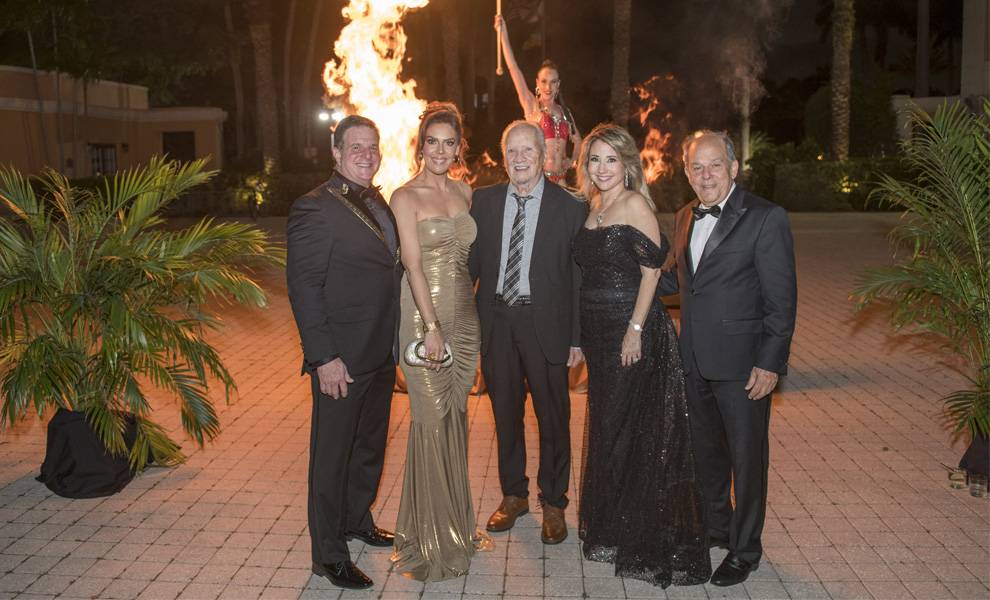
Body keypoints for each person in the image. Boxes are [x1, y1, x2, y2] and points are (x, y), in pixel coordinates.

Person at [571, 123, 711, 587]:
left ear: (628, 164)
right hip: (597, 333)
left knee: (633, 430)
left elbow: (652, 273)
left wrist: (633, 330)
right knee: (610, 427)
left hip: (631, 334)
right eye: (595, 159)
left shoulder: (634, 204)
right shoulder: (593, 205)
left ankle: (642, 533)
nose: (602, 168)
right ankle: (613, 525)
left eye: (611, 159)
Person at [673, 130, 797, 587]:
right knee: (706, 455)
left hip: (745, 366)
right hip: (696, 361)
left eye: (714, 166)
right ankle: (716, 529)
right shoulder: (685, 215)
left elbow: (781, 301)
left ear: (733, 168)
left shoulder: (767, 218)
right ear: (687, 172)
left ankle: (745, 550)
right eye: (696, 168)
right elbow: (684, 283)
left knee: (747, 461)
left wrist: (770, 363)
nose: (706, 175)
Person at [286, 115, 401, 591]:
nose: (366, 155)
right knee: (331, 458)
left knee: (369, 448)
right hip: (341, 360)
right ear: (335, 153)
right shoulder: (314, 208)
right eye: (355, 147)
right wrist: (324, 357)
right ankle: (327, 555)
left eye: (372, 147)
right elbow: (304, 287)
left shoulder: (381, 201)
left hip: (380, 351)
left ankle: (356, 519)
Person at [468, 120, 586, 544]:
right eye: (512, 151)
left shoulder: (570, 207)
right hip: (497, 320)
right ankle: (514, 495)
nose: (520, 159)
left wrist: (576, 337)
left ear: (544, 156)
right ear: (504, 157)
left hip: (546, 324)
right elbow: (468, 268)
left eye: (528, 151)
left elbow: (577, 278)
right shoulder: (482, 202)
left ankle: (553, 502)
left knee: (553, 416)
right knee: (505, 413)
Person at [389, 102, 488, 581]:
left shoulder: (465, 191)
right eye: (434, 142)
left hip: (465, 321)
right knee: (429, 422)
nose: (442, 150)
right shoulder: (404, 197)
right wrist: (431, 327)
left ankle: (454, 527)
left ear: (458, 147)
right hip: (422, 321)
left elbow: (470, 262)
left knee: (455, 421)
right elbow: (411, 265)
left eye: (451, 143)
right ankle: (428, 539)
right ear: (421, 146)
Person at [495, 15, 581, 185]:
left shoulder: (564, 112)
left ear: (558, 85)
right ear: (537, 83)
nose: (548, 87)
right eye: (544, 81)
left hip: (561, 180)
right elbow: (513, 68)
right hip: (539, 181)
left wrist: (572, 159)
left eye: (553, 82)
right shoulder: (531, 105)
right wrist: (502, 33)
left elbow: (578, 140)